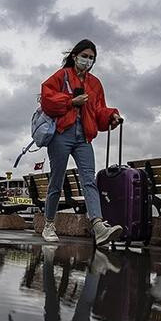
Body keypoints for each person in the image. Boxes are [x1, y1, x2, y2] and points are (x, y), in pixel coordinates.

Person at [39, 39, 124, 246]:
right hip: (61, 134)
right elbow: (46, 98)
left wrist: (112, 116)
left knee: (89, 180)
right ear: (75, 56)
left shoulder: (95, 83)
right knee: (56, 181)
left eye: (91, 57)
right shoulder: (62, 76)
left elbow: (98, 110)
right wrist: (70, 101)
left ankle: (98, 226)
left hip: (84, 137)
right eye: (84, 56)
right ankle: (49, 224)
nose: (87, 60)